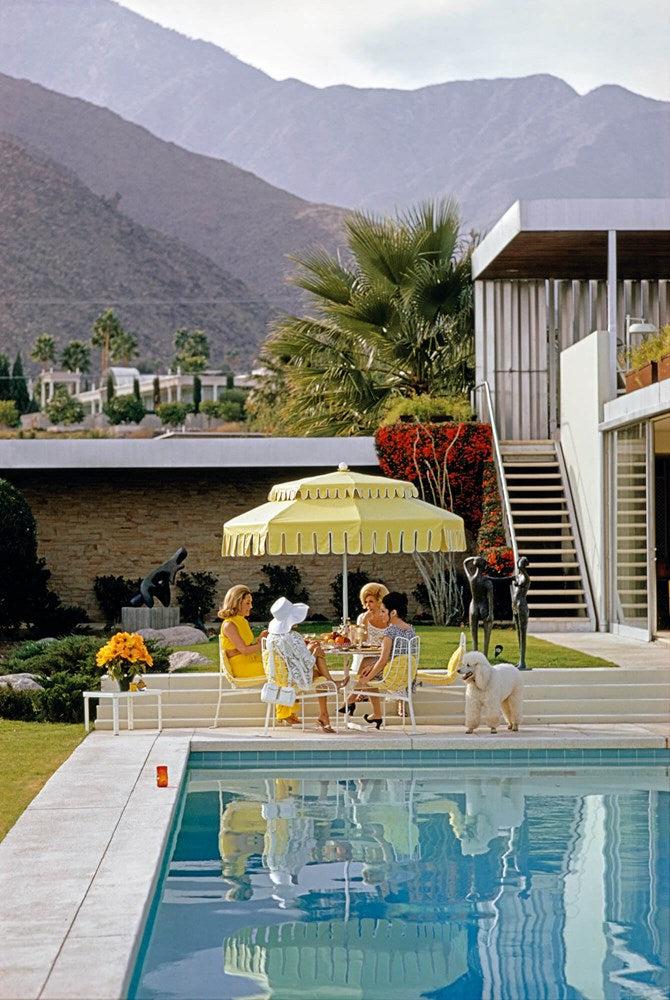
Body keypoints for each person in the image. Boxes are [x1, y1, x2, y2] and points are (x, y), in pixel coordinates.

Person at [266, 597, 344, 733]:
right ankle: (332, 685)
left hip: (282, 677)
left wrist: (308, 647)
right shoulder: (293, 636)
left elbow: (291, 655)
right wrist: (313, 649)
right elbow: (307, 661)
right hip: (296, 677)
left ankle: (324, 715)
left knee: (320, 673)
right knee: (318, 654)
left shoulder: (272, 637)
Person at [218, 585, 293, 720]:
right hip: (241, 667)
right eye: (247, 603)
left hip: (250, 661)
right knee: (278, 668)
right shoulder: (229, 625)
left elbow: (249, 645)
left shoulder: (242, 621)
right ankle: (284, 712)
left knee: (283, 665)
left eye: (250, 603)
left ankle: (286, 710)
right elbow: (244, 650)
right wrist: (264, 643)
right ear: (236, 602)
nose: (251, 606)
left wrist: (261, 637)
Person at [343, 591, 416, 727]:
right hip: (407, 675)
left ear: (392, 613)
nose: (380, 614)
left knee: (366, 672)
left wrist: (365, 678)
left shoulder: (390, 631)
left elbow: (383, 661)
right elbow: (394, 658)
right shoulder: (411, 629)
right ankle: (360, 707)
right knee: (368, 665)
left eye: (383, 611)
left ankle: (351, 702)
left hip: (391, 676)